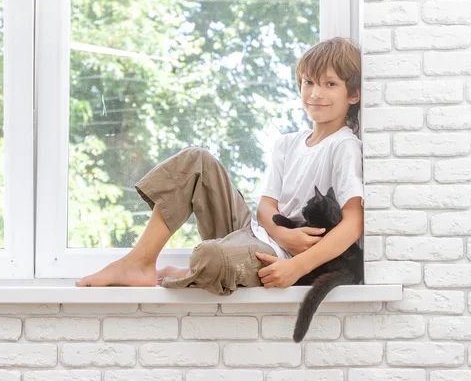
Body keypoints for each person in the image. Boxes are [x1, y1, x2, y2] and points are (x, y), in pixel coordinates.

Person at [76, 37, 364, 294]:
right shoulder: (287, 143)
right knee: (195, 159)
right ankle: (139, 261)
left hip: (272, 257)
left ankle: (183, 274)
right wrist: (283, 234)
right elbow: (265, 208)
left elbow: (353, 224)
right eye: (308, 82)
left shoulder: (344, 145)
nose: (315, 93)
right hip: (254, 233)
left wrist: (297, 267)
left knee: (211, 256)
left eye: (330, 84)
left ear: (353, 95)